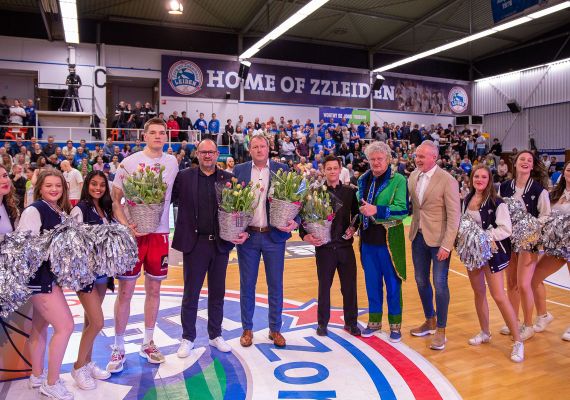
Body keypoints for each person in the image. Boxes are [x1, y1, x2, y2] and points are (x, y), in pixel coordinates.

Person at [106, 118, 178, 373]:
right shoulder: (129, 162)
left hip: (160, 233)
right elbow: (115, 199)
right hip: (134, 235)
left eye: (162, 133)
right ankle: (118, 346)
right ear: (144, 136)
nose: (158, 136)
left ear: (166, 137)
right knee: (125, 292)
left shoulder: (172, 162)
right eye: (153, 132)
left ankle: (148, 342)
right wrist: (126, 225)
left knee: (154, 290)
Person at [172, 139, 245, 357]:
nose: (207, 155)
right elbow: (166, 201)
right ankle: (188, 337)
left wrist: (241, 230)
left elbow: (239, 209)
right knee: (191, 293)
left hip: (220, 244)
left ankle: (215, 334)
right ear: (197, 154)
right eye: (203, 152)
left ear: (217, 154)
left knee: (217, 293)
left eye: (211, 152)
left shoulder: (228, 179)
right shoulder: (184, 177)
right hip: (195, 244)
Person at [233, 135, 297, 348]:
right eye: (255, 147)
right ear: (249, 150)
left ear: (269, 149)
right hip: (248, 237)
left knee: (275, 285)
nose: (259, 150)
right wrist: (237, 229)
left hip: (274, 237)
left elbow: (296, 200)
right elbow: (232, 204)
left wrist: (295, 221)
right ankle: (247, 329)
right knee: (247, 285)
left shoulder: (282, 170)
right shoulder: (239, 170)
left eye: (262, 146)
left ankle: (275, 329)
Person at [17, 169, 74, 399]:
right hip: (39, 279)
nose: (54, 189)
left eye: (58, 186)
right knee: (66, 326)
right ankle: (51, 383)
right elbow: (24, 246)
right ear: (39, 187)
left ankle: (37, 376)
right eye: (49, 185)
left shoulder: (57, 209)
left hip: (49, 277)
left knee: (40, 327)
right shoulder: (34, 210)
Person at [462, 165, 524, 362]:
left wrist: (483, 236)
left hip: (492, 254)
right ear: (471, 178)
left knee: (498, 296)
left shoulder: (498, 202)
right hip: (474, 255)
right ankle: (485, 332)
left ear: (489, 180)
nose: (479, 180)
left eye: (483, 177)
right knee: (478, 292)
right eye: (476, 176)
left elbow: (506, 229)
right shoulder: (467, 199)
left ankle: (518, 341)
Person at [300, 155, 361, 337]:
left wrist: (354, 228)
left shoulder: (350, 192)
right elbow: (304, 219)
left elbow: (357, 216)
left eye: (335, 168)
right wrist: (305, 236)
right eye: (329, 168)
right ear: (323, 170)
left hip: (345, 248)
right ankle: (322, 323)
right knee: (324, 287)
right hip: (324, 249)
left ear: (340, 169)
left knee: (349, 287)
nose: (332, 171)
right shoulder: (315, 192)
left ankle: (351, 322)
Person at [408, 140, 460, 350]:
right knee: (421, 281)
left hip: (439, 242)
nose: (417, 159)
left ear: (434, 157)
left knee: (440, 284)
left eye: (422, 156)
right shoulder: (413, 176)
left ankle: (441, 329)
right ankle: (430, 320)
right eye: (416, 156)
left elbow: (454, 216)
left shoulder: (448, 180)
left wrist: (447, 245)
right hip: (418, 236)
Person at [357, 142, 409, 342]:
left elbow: (402, 210)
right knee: (372, 284)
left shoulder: (399, 180)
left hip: (389, 242)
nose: (376, 162)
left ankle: (395, 326)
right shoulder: (363, 179)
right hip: (368, 241)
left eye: (380, 159)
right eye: (372, 159)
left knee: (393, 285)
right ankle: (374, 322)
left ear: (388, 159)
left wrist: (376, 210)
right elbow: (359, 205)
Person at [498, 150, 550, 341]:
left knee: (523, 284)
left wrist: (530, 227)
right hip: (509, 241)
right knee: (511, 283)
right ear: (515, 163)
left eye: (529, 160)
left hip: (529, 242)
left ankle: (528, 325)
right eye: (522, 159)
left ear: (533, 165)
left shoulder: (539, 190)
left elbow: (546, 216)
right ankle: (514, 321)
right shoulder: (504, 187)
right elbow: (498, 210)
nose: (525, 162)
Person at [69, 171, 115, 389]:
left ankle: (87, 363)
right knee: (98, 322)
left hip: (103, 274)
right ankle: (78, 367)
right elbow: (72, 242)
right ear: (87, 185)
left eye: (102, 185)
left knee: (90, 322)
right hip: (85, 274)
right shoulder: (79, 209)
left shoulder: (106, 208)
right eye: (94, 184)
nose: (98, 188)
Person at [531, 160, 570, 341]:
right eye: (568, 169)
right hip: (555, 247)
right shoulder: (554, 193)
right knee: (533, 278)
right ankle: (543, 315)